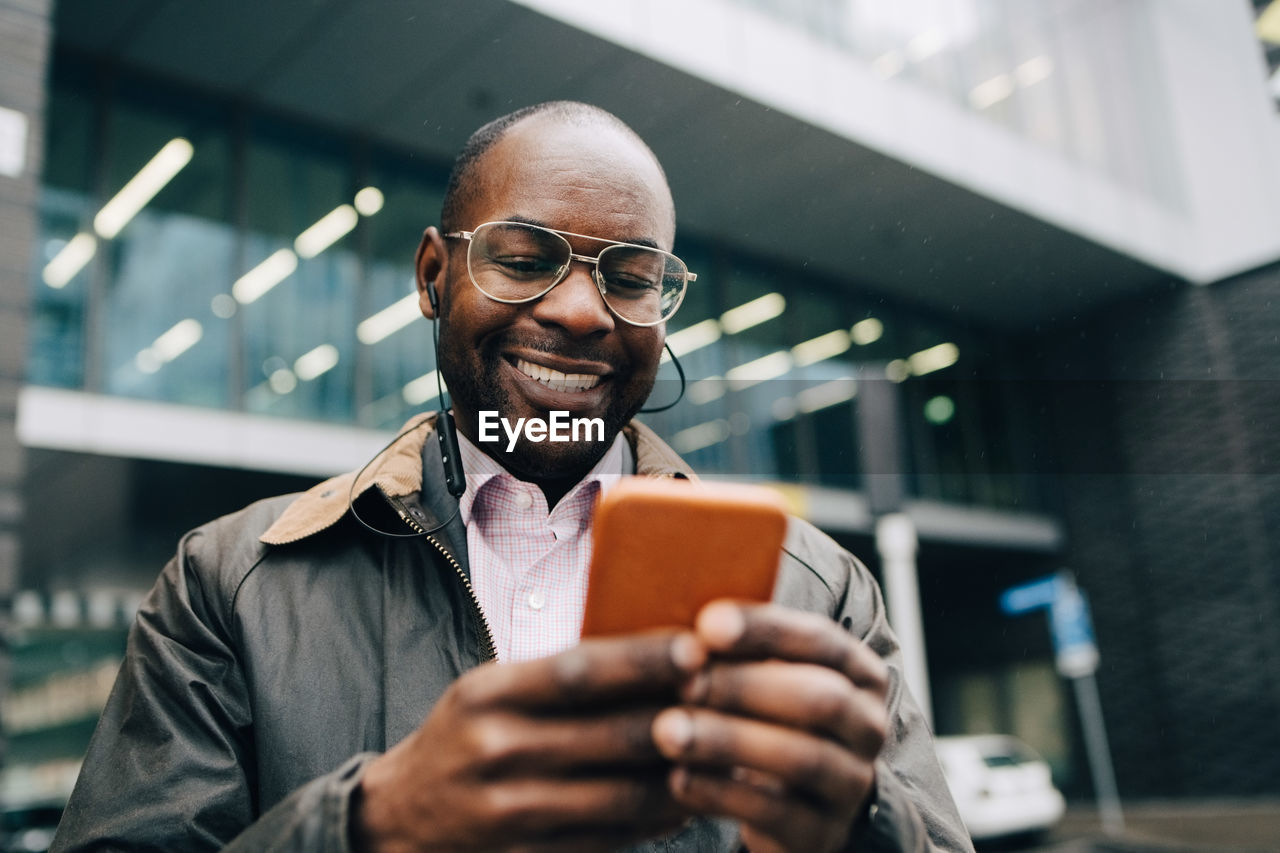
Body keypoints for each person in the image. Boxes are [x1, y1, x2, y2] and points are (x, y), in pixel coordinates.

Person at [51, 102, 972, 852]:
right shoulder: (228, 582)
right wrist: (371, 825)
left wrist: (861, 828)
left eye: (632, 277)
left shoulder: (818, 591)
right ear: (431, 275)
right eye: (526, 261)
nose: (579, 311)